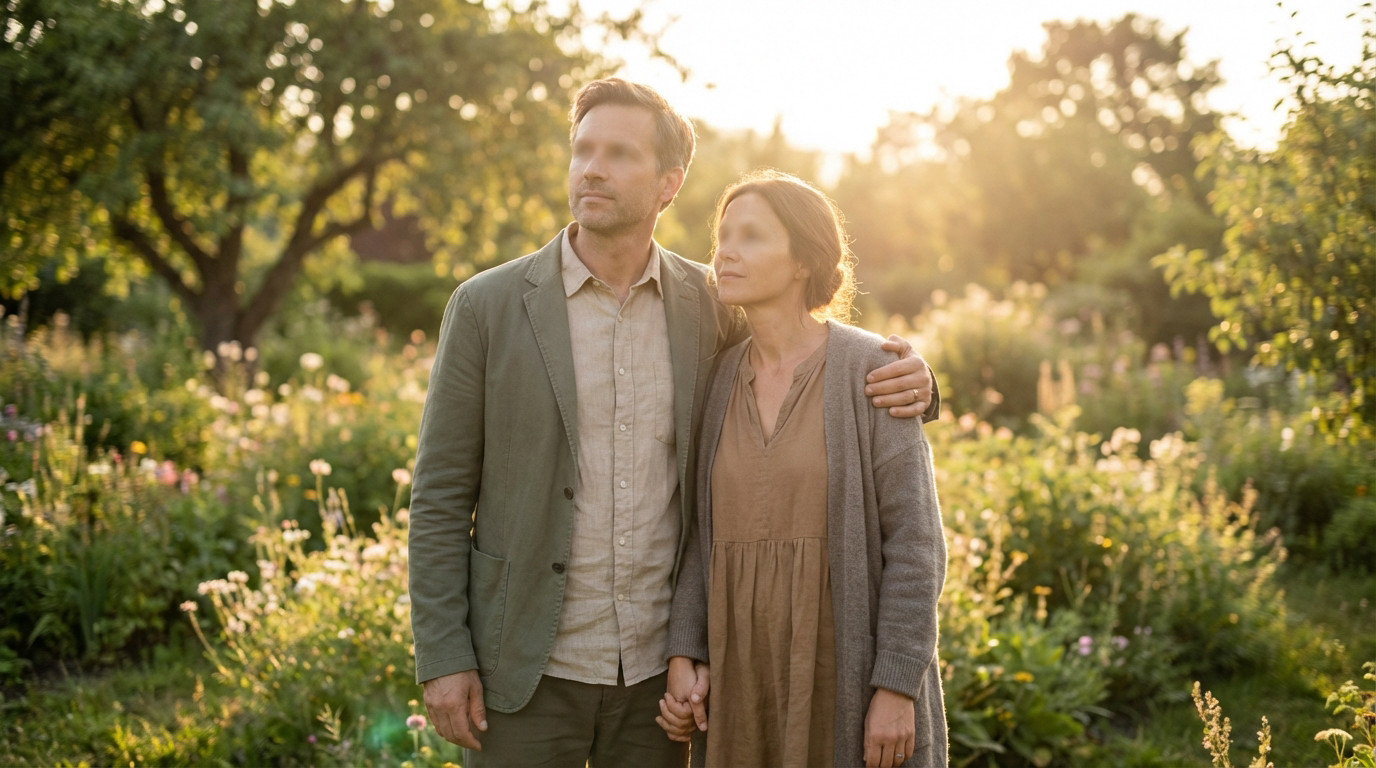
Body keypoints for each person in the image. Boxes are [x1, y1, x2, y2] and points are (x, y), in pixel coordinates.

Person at [408, 79, 938, 768]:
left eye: (619, 154)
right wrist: (445, 656)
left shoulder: (707, 307)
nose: (592, 168)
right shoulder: (487, 306)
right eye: (583, 150)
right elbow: (440, 496)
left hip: (659, 684)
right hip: (525, 671)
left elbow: (812, 353)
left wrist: (922, 384)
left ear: (668, 182)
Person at [660, 170, 948, 768]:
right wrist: (685, 649)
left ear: (802, 261)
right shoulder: (716, 379)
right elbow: (700, 536)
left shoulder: (872, 369)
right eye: (723, 236)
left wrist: (896, 688)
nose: (727, 252)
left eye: (753, 236)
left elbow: (916, 544)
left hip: (841, 670)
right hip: (742, 683)